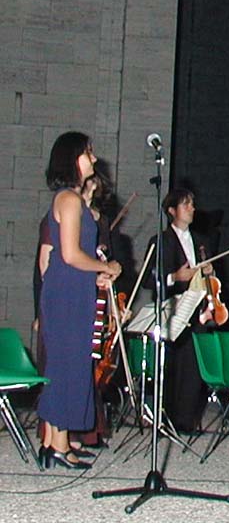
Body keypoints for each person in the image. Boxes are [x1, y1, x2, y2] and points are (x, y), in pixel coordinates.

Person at [37, 131, 121, 470]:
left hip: (76, 288)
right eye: (88, 153)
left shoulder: (73, 199)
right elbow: (70, 254)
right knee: (65, 364)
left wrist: (96, 274)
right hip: (66, 292)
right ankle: (58, 446)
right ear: (72, 158)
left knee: (69, 364)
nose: (94, 159)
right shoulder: (69, 200)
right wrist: (106, 266)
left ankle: (55, 443)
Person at [144, 188, 216, 434]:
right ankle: (166, 418)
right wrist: (174, 276)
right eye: (186, 204)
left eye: (192, 204)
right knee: (171, 365)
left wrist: (210, 272)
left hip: (197, 309)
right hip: (173, 310)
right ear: (172, 210)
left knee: (194, 366)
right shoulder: (160, 241)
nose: (192, 209)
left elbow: (212, 278)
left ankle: (186, 420)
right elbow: (148, 279)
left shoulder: (202, 241)